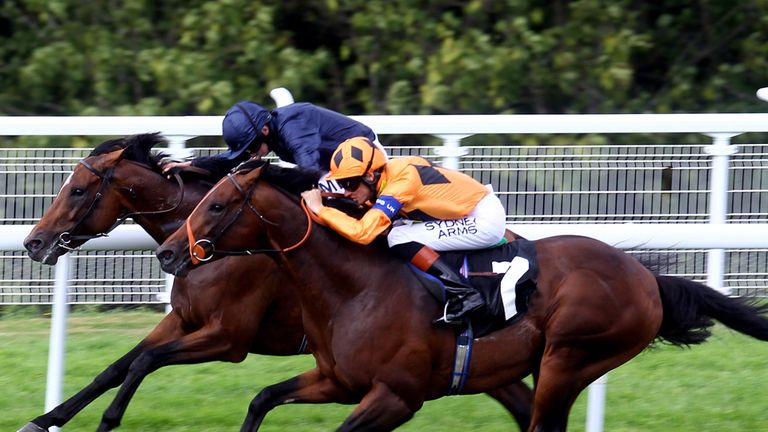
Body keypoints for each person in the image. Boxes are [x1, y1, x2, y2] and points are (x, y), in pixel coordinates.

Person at [301, 136, 508, 325]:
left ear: (371, 175)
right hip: (467, 213)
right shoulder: (387, 176)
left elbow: (362, 233)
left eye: (350, 183)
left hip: (483, 220)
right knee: (396, 229)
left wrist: (320, 209)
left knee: (398, 235)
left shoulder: (402, 181)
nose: (346, 191)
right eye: (341, 183)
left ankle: (464, 294)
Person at [163, 101, 385, 186]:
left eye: (250, 147)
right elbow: (227, 160)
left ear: (265, 131)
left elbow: (309, 172)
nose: (250, 154)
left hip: (366, 161)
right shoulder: (268, 133)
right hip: (333, 169)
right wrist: (189, 165)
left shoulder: (293, 126)